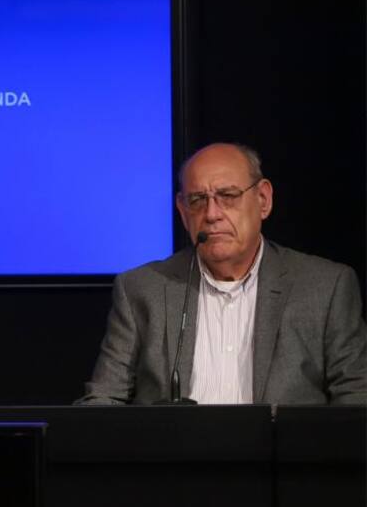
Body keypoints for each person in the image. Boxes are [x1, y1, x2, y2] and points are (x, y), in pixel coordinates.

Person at [79, 143, 367, 405]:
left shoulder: (325, 287)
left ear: (263, 200)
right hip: (175, 460)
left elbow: (356, 399)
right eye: (197, 200)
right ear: (182, 211)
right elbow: (103, 400)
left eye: (227, 196)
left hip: (282, 460)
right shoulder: (141, 289)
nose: (212, 214)